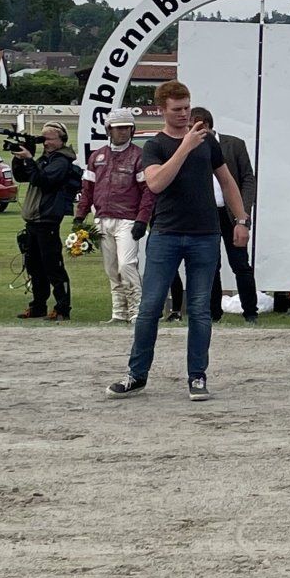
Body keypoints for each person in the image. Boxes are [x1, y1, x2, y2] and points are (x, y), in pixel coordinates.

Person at [106, 80, 251, 402]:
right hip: (166, 234)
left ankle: (197, 376)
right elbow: (156, 183)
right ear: (161, 110)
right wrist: (185, 146)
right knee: (150, 307)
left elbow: (227, 182)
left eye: (187, 107)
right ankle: (137, 374)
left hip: (206, 234)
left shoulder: (208, 142)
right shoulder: (154, 146)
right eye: (177, 110)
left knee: (200, 310)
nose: (185, 114)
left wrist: (241, 220)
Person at [191, 107, 260, 324]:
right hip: (206, 215)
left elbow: (248, 178)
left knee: (241, 264)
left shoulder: (234, 144)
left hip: (232, 214)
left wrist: (244, 214)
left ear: (207, 125)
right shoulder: (189, 147)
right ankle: (213, 313)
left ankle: (250, 312)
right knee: (211, 264)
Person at [78, 108, 146, 323]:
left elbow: (147, 192)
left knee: (127, 265)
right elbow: (87, 189)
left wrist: (142, 219)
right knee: (111, 268)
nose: (123, 132)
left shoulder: (139, 156)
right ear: (109, 130)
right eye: (118, 128)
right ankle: (119, 313)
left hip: (128, 219)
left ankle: (137, 311)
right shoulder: (96, 156)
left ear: (132, 130)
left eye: (126, 128)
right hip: (102, 219)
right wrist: (79, 217)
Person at [11, 121, 81, 320]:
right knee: (34, 267)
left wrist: (31, 159)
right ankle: (38, 306)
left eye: (48, 139)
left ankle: (62, 308)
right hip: (34, 221)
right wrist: (19, 158)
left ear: (62, 140)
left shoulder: (61, 161)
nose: (45, 143)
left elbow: (44, 181)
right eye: (43, 139)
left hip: (47, 221)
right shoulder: (46, 158)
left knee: (53, 267)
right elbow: (23, 176)